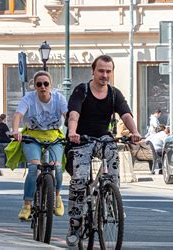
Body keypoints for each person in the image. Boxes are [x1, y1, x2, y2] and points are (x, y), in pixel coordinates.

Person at [65, 54, 141, 246]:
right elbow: (74, 114)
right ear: (93, 71)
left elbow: (125, 114)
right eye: (101, 71)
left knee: (113, 157)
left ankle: (110, 200)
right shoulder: (81, 90)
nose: (104, 75)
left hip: (103, 138)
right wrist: (72, 132)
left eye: (108, 71)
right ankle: (75, 224)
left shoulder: (114, 94)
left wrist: (135, 132)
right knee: (79, 179)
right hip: (81, 139)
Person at [9, 71, 68, 221]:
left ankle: (57, 196)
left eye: (46, 84)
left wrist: (73, 131)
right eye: (39, 84)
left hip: (54, 135)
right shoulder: (28, 98)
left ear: (51, 85)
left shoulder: (59, 98)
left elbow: (68, 115)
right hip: (32, 136)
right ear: (34, 86)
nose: (43, 87)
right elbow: (18, 115)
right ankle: (27, 205)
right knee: (34, 167)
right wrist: (15, 131)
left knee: (58, 167)